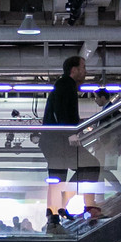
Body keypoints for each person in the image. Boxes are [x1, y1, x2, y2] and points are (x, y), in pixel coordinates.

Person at [41, 53, 86, 183]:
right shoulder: (66, 85)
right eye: (83, 67)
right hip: (59, 142)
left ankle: (61, 200)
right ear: (74, 70)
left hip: (55, 142)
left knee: (57, 178)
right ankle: (63, 198)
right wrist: (73, 137)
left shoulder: (64, 84)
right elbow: (63, 114)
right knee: (91, 165)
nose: (85, 71)